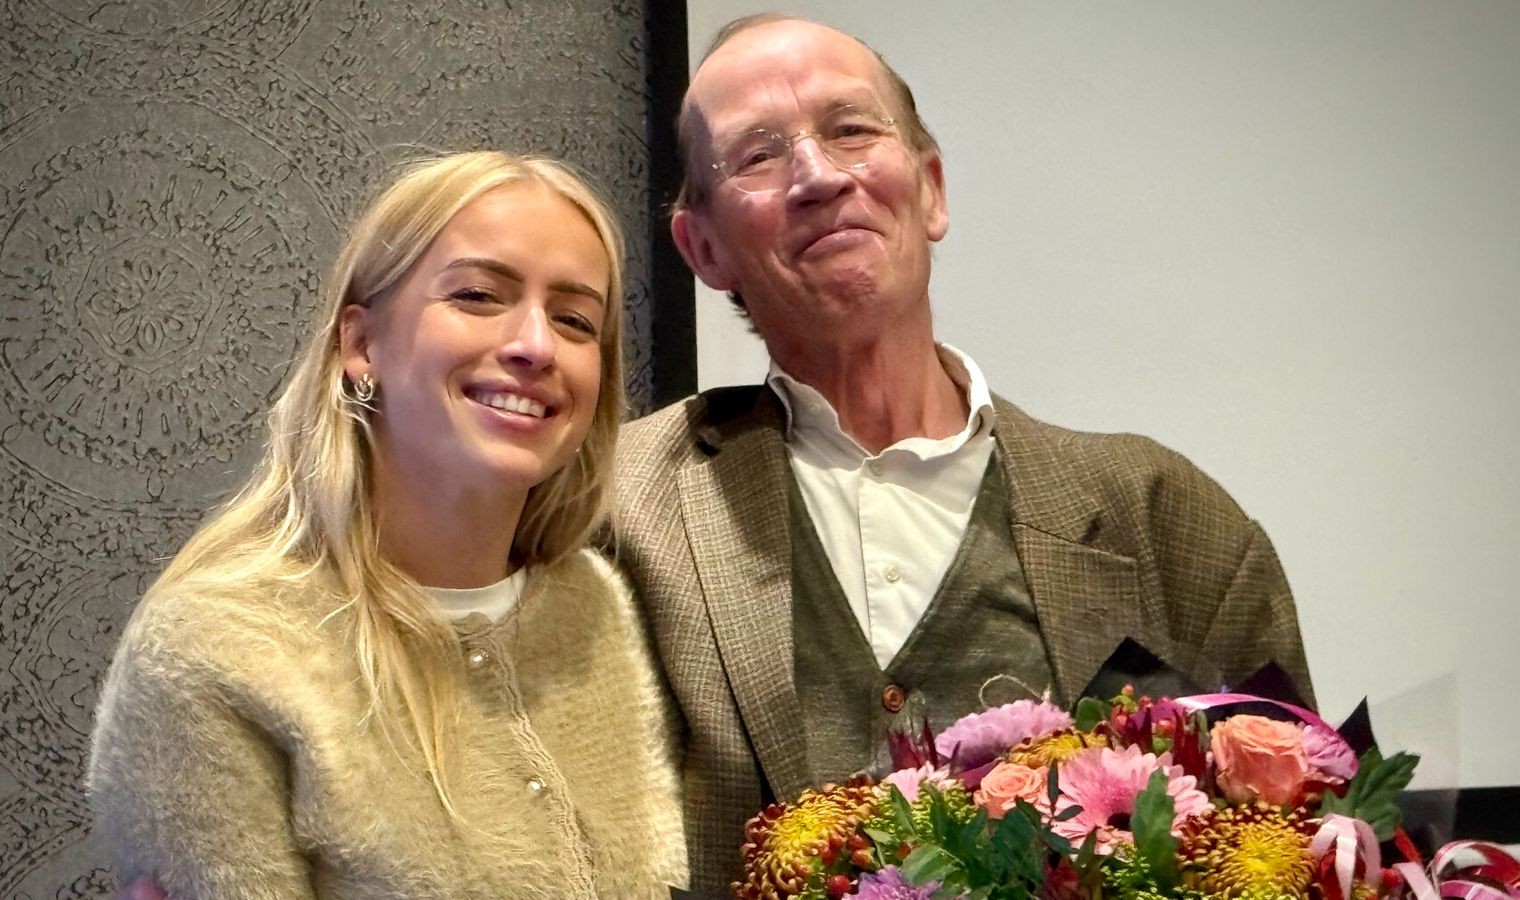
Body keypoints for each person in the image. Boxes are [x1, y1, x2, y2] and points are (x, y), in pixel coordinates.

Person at [610, 14, 1316, 892]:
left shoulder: (1165, 521)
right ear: (704, 248)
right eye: (757, 156)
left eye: (851, 130)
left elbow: (1298, 849)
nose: (819, 177)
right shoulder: (614, 507)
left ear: (932, 189)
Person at [88, 151, 686, 898]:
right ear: (361, 344)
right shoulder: (213, 651)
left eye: (574, 320)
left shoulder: (595, 608)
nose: (535, 345)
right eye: (477, 295)